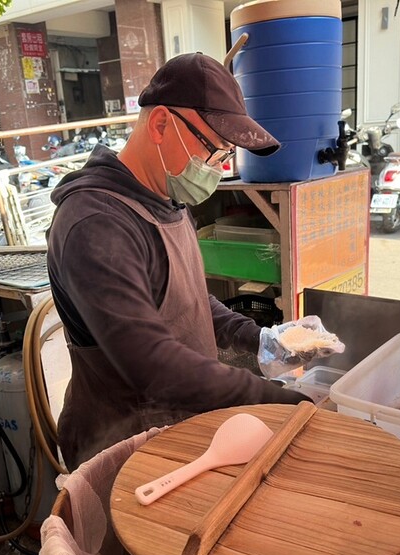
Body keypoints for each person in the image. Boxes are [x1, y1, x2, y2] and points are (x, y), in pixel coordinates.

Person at [46, 53, 309, 470]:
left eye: (225, 158)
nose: (218, 170)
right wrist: (278, 401)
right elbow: (152, 364)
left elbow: (186, 298)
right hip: (122, 448)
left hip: (180, 427)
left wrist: (255, 337)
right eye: (213, 151)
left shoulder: (167, 197)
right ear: (161, 124)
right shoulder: (95, 224)